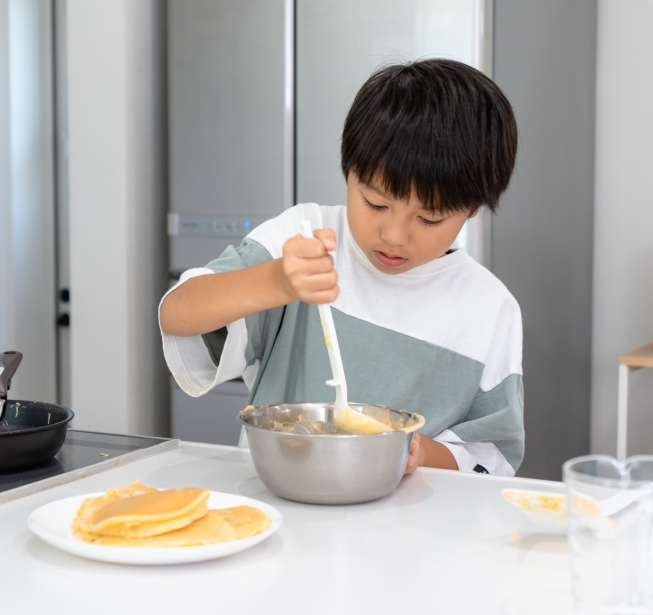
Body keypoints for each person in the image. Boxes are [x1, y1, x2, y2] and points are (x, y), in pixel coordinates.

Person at [159, 59, 522, 476]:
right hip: (277, 509)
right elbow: (178, 313)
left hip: (408, 531)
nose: (395, 235)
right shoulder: (302, 238)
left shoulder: (490, 309)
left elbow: (491, 457)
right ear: (348, 171)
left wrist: (414, 452)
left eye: (430, 218)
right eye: (376, 203)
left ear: (473, 210)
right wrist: (276, 280)